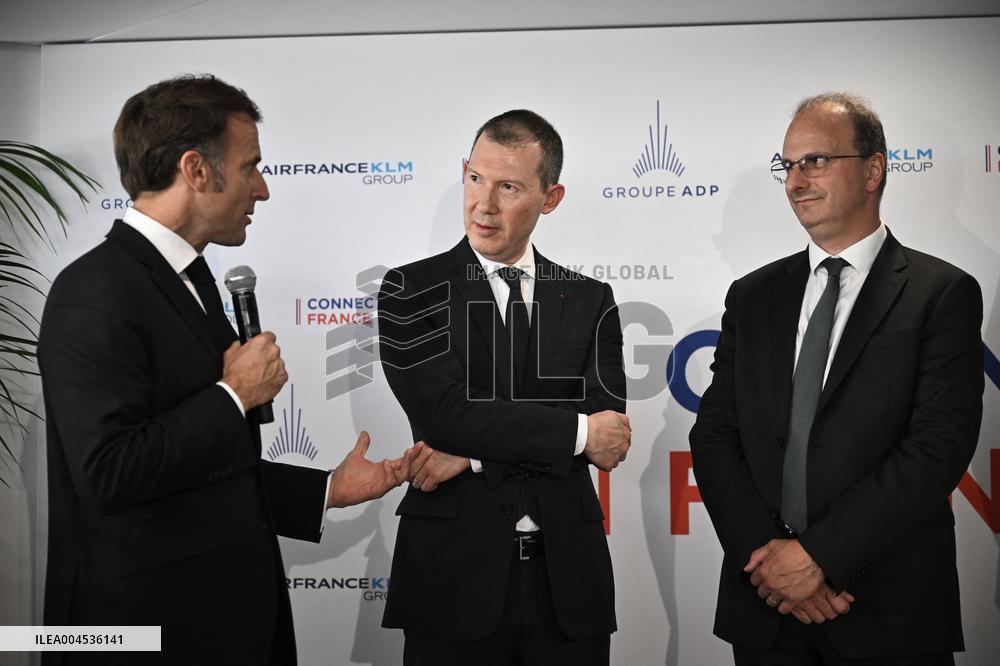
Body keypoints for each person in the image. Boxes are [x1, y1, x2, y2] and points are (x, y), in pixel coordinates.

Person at [38, 74, 418, 666]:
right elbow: (109, 473)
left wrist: (324, 491)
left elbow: (203, 474)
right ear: (196, 170)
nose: (262, 189)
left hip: (223, 623)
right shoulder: (94, 291)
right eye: (250, 167)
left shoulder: (189, 280)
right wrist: (233, 394)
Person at [690, 92, 984, 665]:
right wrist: (771, 564)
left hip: (886, 612)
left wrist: (818, 558)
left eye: (816, 161)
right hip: (767, 610)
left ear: (873, 170)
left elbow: (938, 445)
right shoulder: (752, 296)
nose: (796, 181)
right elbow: (715, 435)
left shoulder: (941, 293)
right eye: (787, 165)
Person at [376, 109, 631, 665]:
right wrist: (575, 433)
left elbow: (608, 435)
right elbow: (446, 416)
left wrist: (472, 459)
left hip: (569, 584)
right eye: (475, 179)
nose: (483, 205)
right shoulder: (410, 290)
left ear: (550, 197)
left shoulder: (590, 299)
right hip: (453, 580)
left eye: (509, 187)